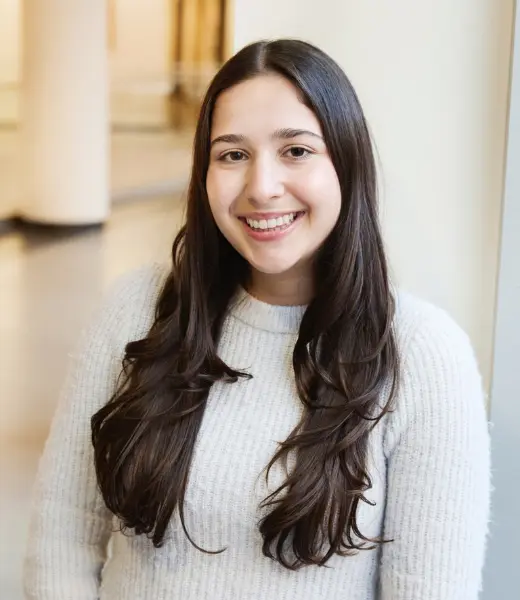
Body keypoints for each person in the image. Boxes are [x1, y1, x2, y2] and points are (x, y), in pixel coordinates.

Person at [23, 39, 491, 600]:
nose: (262, 187)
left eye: (295, 151)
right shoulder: (137, 308)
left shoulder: (423, 352)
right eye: (232, 154)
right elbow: (62, 537)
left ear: (346, 161)